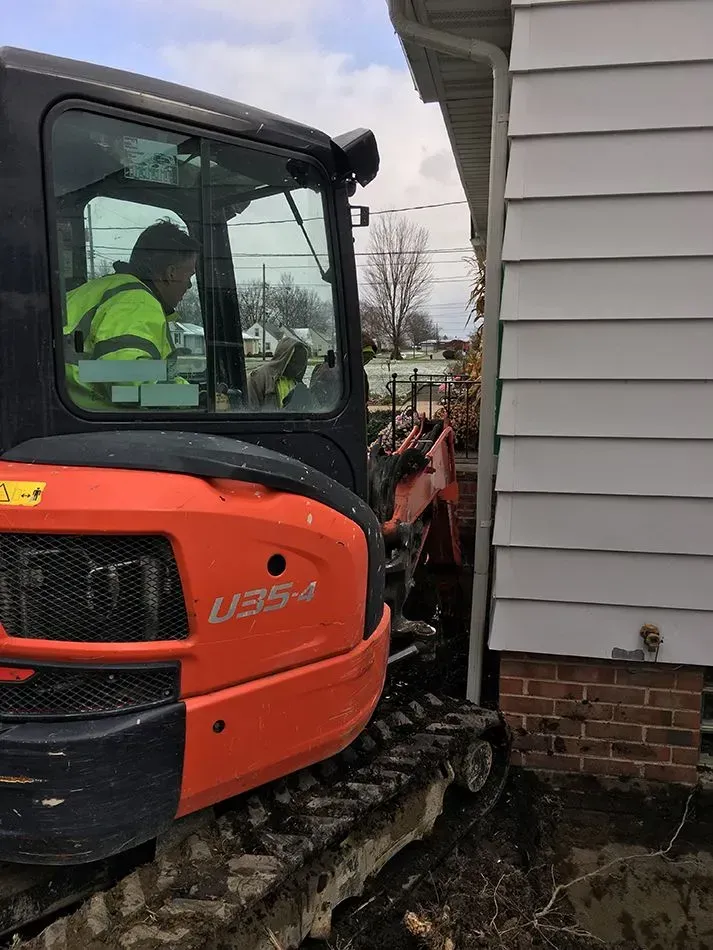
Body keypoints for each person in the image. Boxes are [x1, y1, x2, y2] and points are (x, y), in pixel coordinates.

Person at [64, 221, 199, 409]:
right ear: (171, 273)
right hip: (94, 426)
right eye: (189, 276)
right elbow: (127, 380)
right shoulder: (137, 301)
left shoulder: (101, 290)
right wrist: (190, 397)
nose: (189, 286)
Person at [247, 337, 314, 411]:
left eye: (302, 363)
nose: (299, 368)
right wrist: (288, 409)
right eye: (295, 362)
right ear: (284, 358)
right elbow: (251, 415)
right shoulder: (257, 378)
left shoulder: (296, 382)